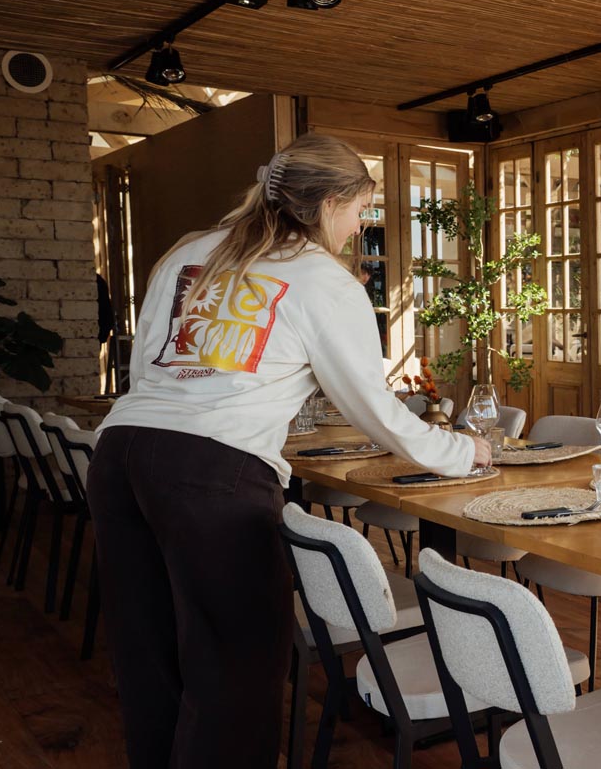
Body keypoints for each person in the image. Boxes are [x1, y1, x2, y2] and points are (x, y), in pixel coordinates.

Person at [85, 133, 490, 769]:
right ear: (330, 202)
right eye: (361, 210)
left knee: (149, 658)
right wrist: (464, 453)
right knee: (235, 670)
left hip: (119, 458)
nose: (361, 227)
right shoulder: (321, 278)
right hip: (212, 477)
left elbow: (148, 368)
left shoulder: (187, 251)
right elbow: (374, 408)